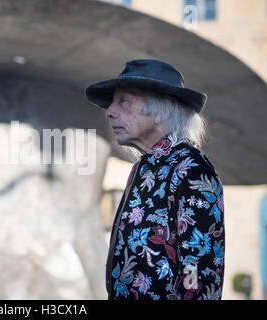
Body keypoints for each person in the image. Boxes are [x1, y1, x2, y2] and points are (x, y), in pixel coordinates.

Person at [85, 59, 225, 300]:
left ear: (165, 108)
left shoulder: (190, 168)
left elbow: (198, 277)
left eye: (124, 102)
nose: (109, 111)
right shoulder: (143, 168)